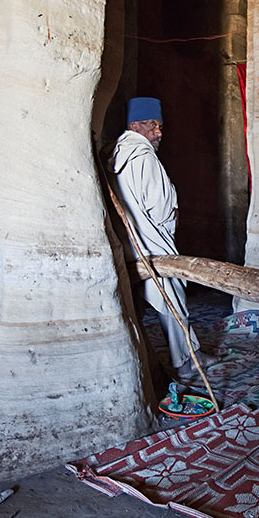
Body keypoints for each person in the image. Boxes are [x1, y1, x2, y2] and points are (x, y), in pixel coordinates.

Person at [107, 97, 218, 380]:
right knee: (172, 297)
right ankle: (185, 362)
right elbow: (160, 208)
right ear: (135, 125)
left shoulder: (119, 153)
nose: (158, 132)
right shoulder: (142, 156)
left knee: (168, 297)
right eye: (152, 125)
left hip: (133, 241)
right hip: (151, 240)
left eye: (160, 126)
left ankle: (190, 353)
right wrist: (173, 216)